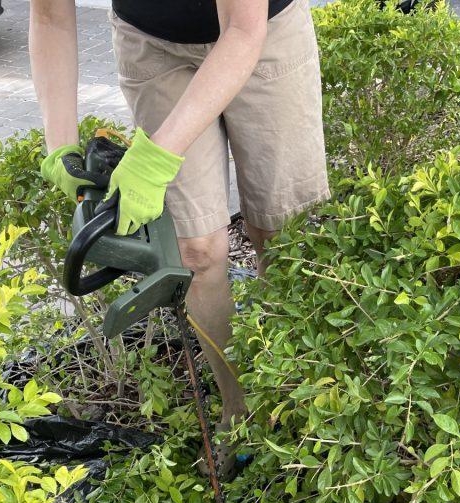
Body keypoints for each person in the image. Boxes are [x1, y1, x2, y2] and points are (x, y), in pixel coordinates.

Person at [30, 0, 329, 458]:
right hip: (153, 45)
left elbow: (243, 30)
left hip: (262, 33)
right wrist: (60, 147)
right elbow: (50, 14)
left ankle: (301, 400)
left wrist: (154, 161)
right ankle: (240, 411)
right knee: (196, 251)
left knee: (281, 236)